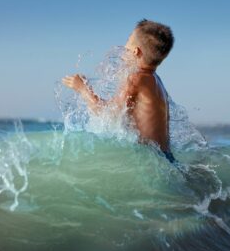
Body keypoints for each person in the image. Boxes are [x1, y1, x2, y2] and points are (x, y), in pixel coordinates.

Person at [62, 19, 175, 163]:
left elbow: (107, 115)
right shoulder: (156, 81)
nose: (123, 47)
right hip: (167, 158)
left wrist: (83, 89)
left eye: (128, 41)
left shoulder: (136, 78)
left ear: (136, 51)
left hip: (152, 160)